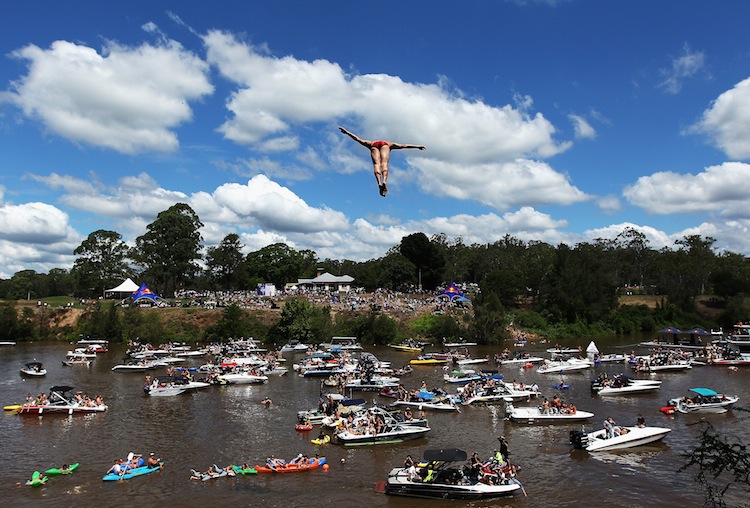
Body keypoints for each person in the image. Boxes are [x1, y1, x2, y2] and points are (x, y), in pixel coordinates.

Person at [338, 126, 426, 196]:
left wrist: (347, 132)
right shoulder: (390, 144)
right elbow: (404, 145)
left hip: (373, 145)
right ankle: (384, 181)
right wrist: (417, 146)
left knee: (376, 164)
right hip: (385, 145)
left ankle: (379, 183)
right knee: (384, 163)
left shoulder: (370, 143)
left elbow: (358, 139)